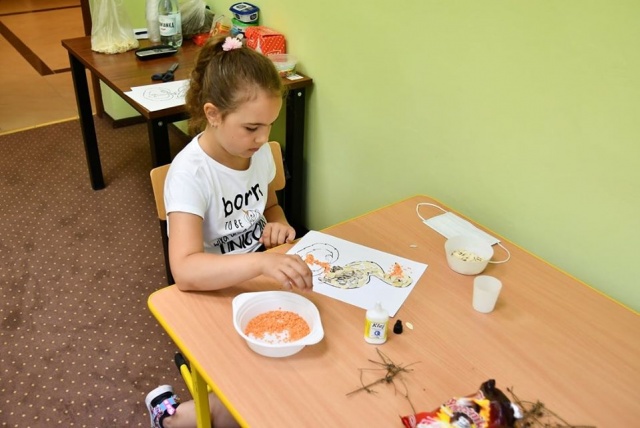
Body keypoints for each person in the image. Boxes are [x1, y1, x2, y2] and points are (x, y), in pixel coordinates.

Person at [145, 34, 313, 428]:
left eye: (269, 125)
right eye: (252, 127)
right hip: (209, 290)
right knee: (256, 391)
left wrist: (279, 224)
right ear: (213, 114)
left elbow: (269, 207)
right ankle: (171, 417)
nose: (263, 138)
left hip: (255, 277)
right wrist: (260, 265)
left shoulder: (258, 153)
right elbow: (185, 270)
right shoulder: (190, 174)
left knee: (306, 351)